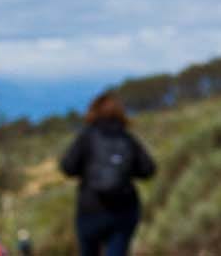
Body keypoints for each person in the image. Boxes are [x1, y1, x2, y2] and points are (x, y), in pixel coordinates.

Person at [59, 93, 157, 255]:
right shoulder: (127, 138)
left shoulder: (87, 136)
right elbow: (148, 169)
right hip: (123, 209)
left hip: (90, 209)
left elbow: (67, 167)